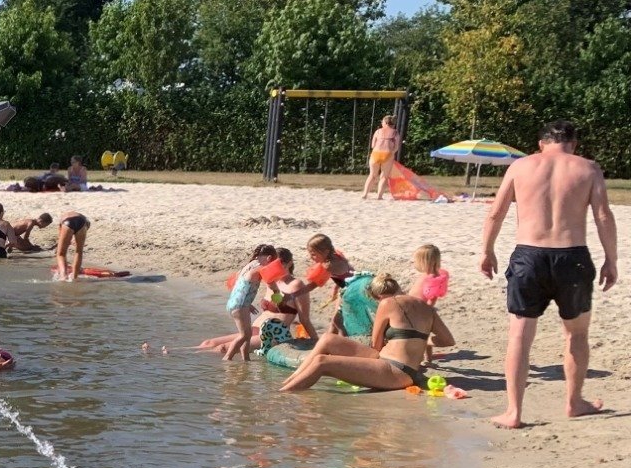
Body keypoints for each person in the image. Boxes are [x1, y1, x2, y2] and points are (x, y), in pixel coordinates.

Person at [480, 120, 618, 426]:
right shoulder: (588, 168)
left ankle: (513, 412)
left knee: (519, 335)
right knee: (577, 333)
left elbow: (496, 212)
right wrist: (612, 259)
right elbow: (603, 216)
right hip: (573, 258)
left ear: (541, 143)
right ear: (574, 144)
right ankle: (573, 402)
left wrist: (487, 250)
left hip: (529, 256)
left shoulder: (520, 167)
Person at [275, 274, 456, 392]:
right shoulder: (428, 309)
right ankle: (292, 378)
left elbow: (375, 345)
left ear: (377, 297)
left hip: (395, 371)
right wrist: (420, 340)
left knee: (322, 362)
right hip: (394, 364)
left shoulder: (387, 304)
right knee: (329, 339)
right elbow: (448, 340)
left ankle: (283, 395)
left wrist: (411, 340)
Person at [218, 245, 281, 360]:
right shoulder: (260, 268)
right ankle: (227, 358)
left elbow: (239, 287)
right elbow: (270, 282)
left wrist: (248, 303)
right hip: (240, 306)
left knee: (248, 334)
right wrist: (277, 292)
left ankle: (245, 359)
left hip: (236, 303)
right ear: (269, 258)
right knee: (244, 335)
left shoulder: (249, 265)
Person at [361, 114, 402, 200]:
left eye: (382, 121)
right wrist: (391, 153)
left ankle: (365, 194)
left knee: (372, 175)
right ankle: (379, 196)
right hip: (387, 154)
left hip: (375, 154)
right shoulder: (395, 132)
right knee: (383, 176)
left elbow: (372, 145)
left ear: (386, 122)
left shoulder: (378, 131)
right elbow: (396, 147)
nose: (381, 123)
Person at [52, 213, 90, 280]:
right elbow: (85, 228)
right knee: (79, 251)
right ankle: (74, 277)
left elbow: (60, 234)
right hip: (82, 222)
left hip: (67, 222)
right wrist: (74, 239)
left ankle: (63, 276)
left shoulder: (64, 217)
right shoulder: (85, 220)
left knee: (61, 254)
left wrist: (66, 241)